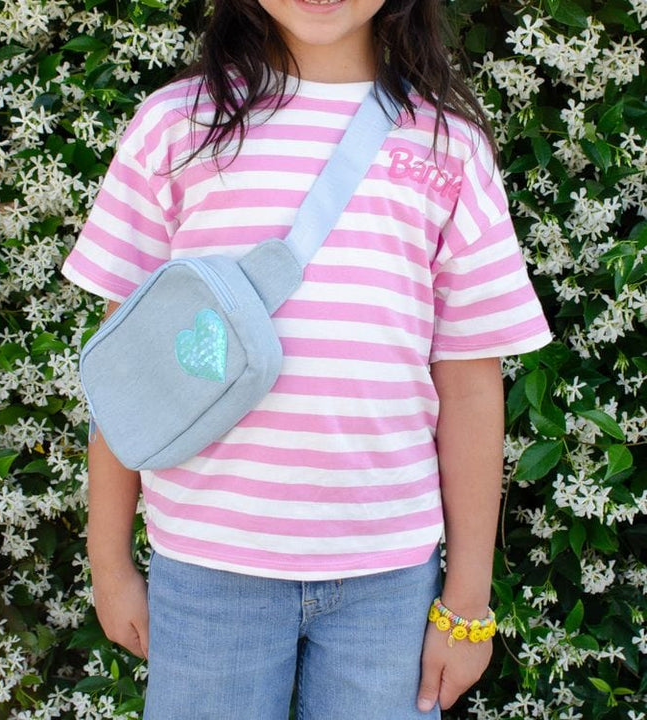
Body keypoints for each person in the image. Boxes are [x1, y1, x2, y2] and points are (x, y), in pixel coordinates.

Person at [62, 0, 552, 717]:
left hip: (388, 578)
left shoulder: (449, 147)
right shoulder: (175, 127)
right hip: (206, 564)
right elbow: (127, 371)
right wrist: (108, 565)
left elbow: (472, 385)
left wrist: (467, 604)